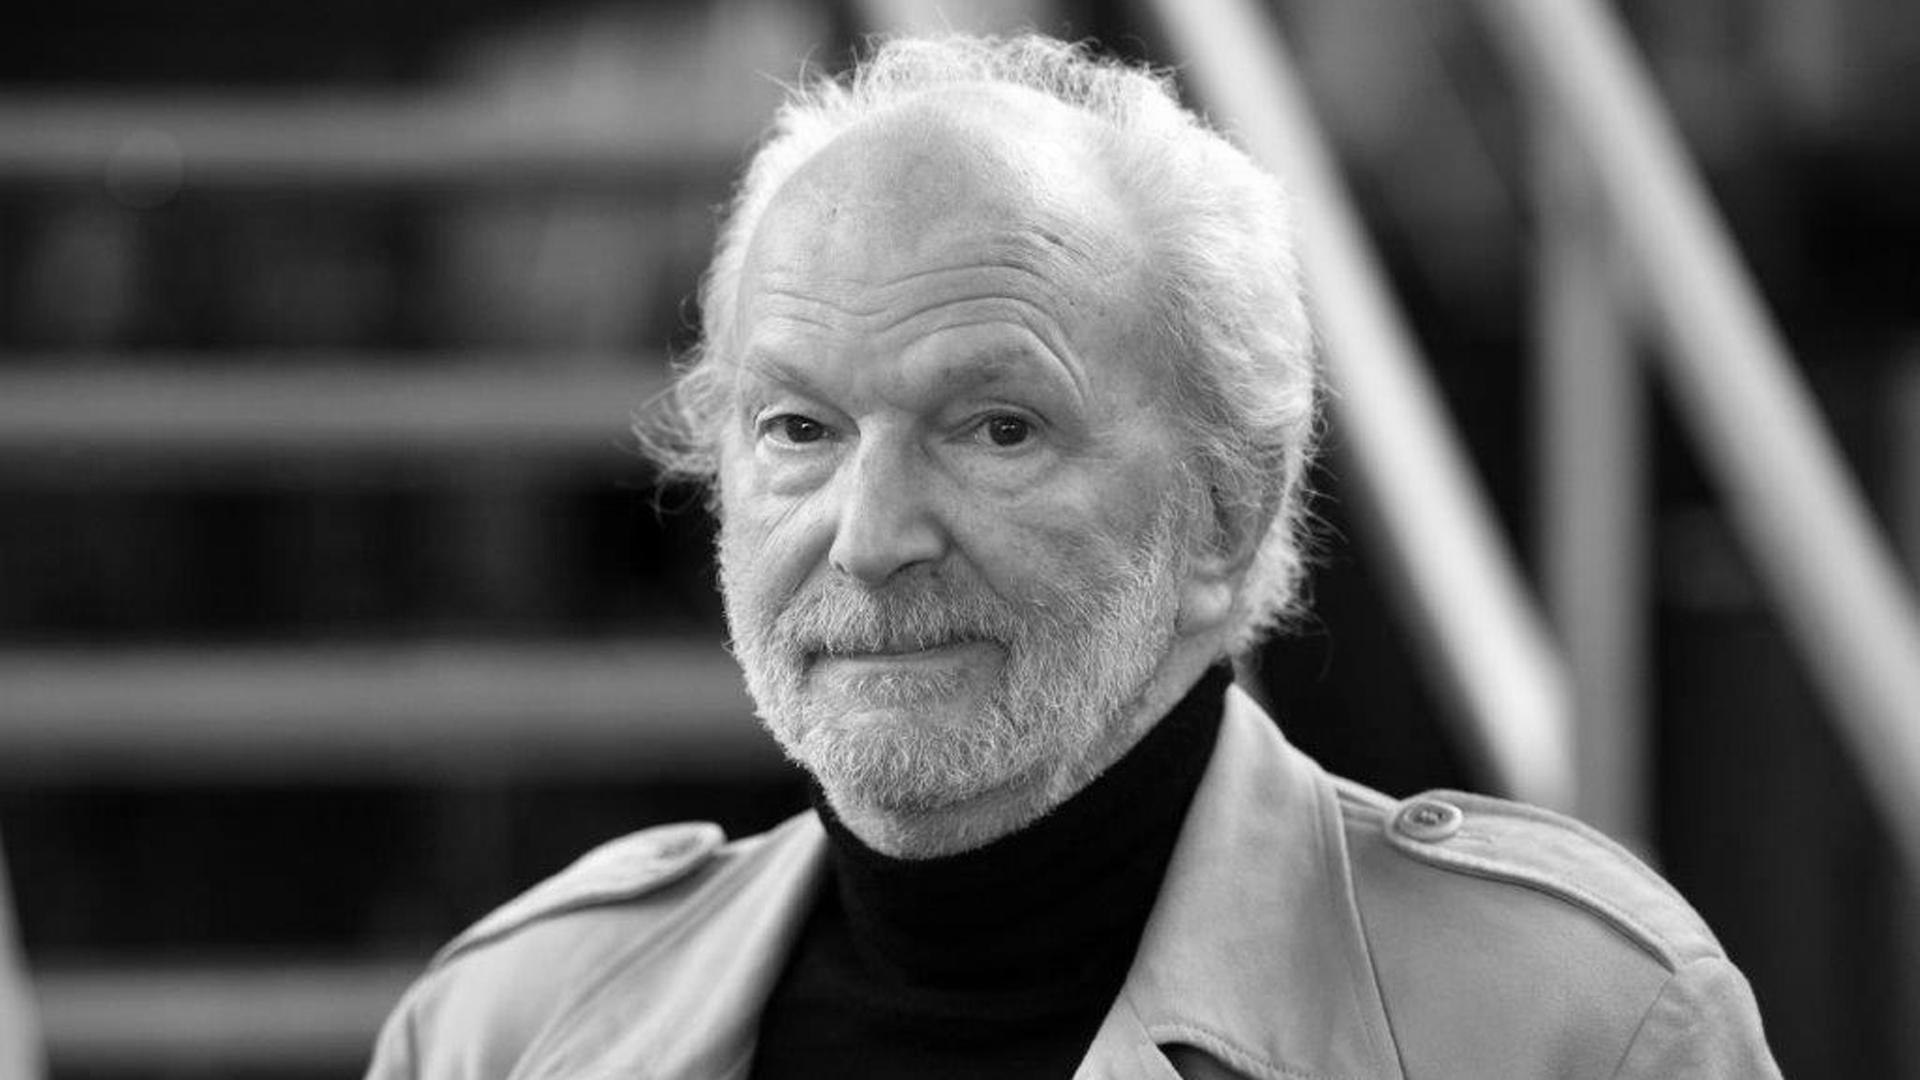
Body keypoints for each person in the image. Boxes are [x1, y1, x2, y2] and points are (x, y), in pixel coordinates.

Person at [366, 34, 1781, 1079]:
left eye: (998, 428)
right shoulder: (503, 1029)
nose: (871, 537)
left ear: (1227, 513)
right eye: (799, 427)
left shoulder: (1570, 1028)